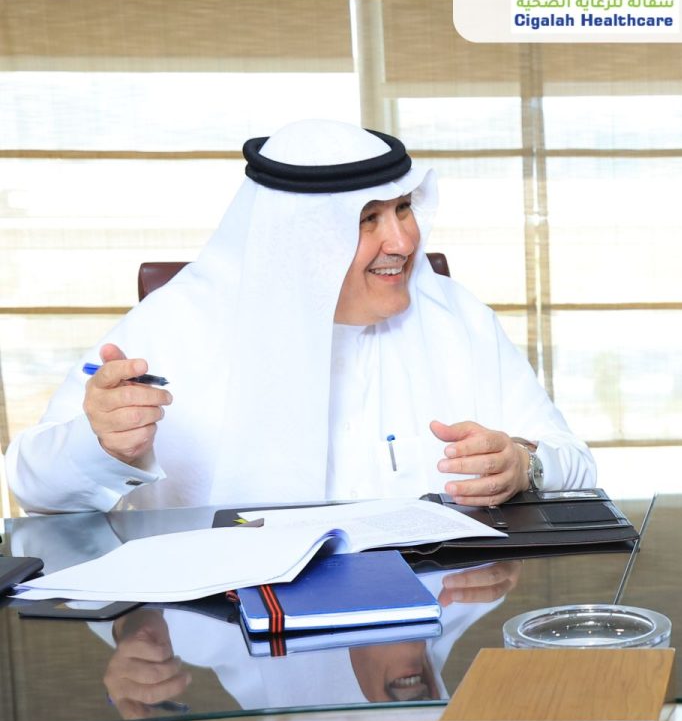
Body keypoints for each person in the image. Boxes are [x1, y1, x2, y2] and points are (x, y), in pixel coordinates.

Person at [5, 120, 596, 513]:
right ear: (298, 240)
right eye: (368, 219)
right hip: (232, 632)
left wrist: (524, 464)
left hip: (429, 616)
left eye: (403, 209)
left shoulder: (456, 315)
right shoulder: (174, 325)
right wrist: (103, 444)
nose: (402, 241)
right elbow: (31, 484)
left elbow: (576, 462)